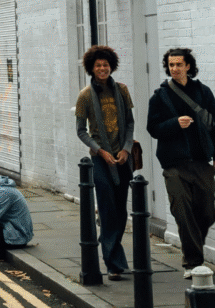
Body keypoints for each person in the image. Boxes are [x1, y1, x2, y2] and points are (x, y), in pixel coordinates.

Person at [147, 47, 215, 279]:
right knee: (182, 212)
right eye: (171, 65)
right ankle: (193, 263)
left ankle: (193, 251)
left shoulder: (203, 92)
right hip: (174, 165)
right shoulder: (160, 96)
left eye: (179, 64)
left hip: (201, 162)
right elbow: (153, 128)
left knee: (207, 212)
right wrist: (174, 124)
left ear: (188, 66)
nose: (175, 69)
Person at [74, 45, 135, 280]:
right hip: (100, 160)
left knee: (121, 212)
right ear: (92, 68)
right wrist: (100, 151)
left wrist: (126, 149)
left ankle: (114, 255)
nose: (102, 68)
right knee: (108, 210)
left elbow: (130, 123)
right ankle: (113, 263)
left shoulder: (122, 90)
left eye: (105, 65)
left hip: (122, 159)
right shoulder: (85, 96)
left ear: (111, 66)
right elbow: (80, 131)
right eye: (98, 65)